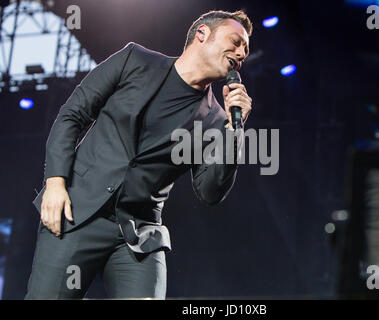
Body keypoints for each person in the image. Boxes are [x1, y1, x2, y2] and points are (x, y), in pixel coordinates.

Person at [25, 10, 253, 299]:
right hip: (76, 212)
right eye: (236, 41)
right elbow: (72, 115)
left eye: (246, 49)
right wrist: (55, 182)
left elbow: (209, 192)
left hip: (139, 236)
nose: (242, 52)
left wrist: (235, 130)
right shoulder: (135, 60)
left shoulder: (216, 121)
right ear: (202, 34)